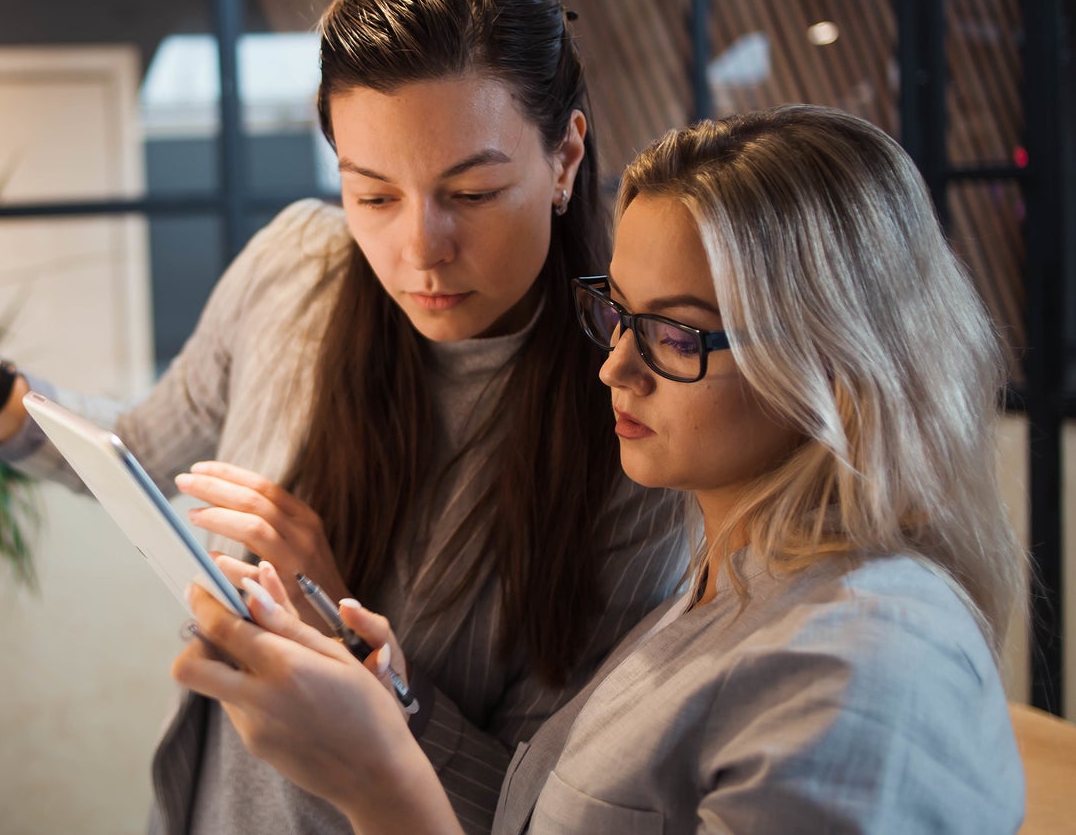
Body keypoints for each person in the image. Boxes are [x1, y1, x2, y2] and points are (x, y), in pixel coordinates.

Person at [0, 0, 689, 834]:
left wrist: (350, 648)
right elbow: (147, 451)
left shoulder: (635, 435)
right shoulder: (295, 267)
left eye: (474, 190)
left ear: (566, 153)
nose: (422, 249)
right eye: (373, 196)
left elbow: (543, 814)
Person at [173, 104, 1028, 835]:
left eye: (678, 333)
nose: (615, 368)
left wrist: (377, 783)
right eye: (619, 313)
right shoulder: (735, 582)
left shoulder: (864, 670)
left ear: (835, 369)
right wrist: (400, 702)